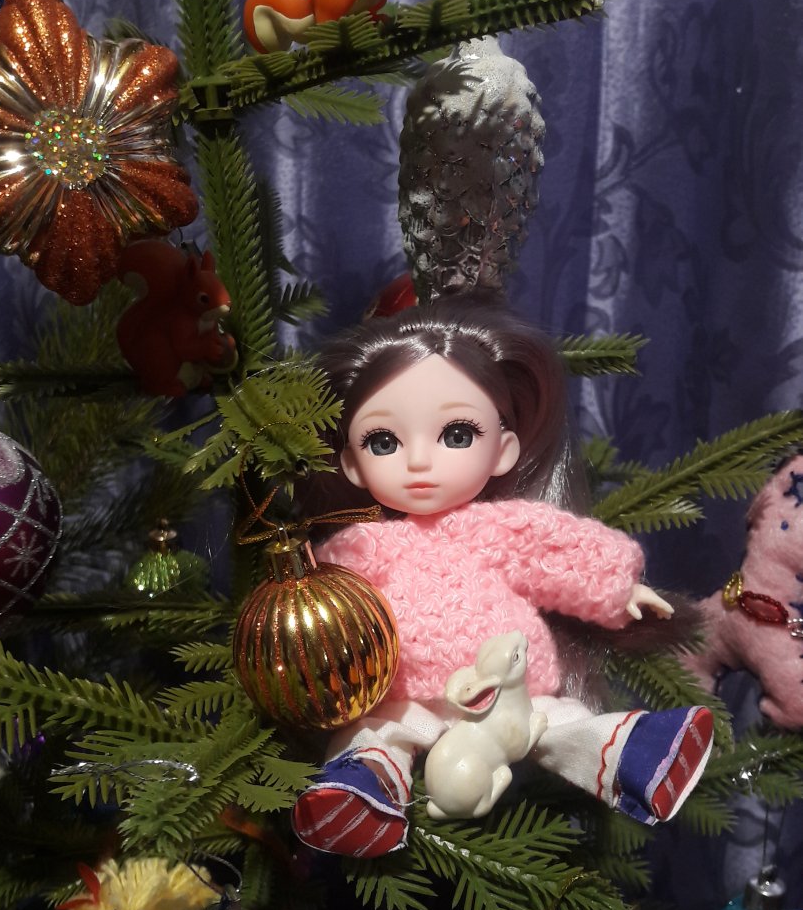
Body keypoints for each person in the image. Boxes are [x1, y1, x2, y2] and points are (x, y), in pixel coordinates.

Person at [292, 300, 713, 858]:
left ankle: (635, 756)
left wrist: (618, 587)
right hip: (400, 692)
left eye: (456, 434)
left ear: (504, 450)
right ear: (351, 463)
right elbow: (321, 600)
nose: (419, 462)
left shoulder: (491, 529)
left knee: (559, 723)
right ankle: (362, 794)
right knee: (376, 733)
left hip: (509, 691)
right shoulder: (365, 546)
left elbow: (553, 551)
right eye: (384, 442)